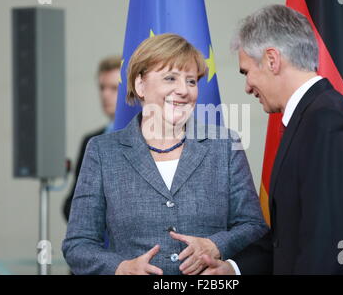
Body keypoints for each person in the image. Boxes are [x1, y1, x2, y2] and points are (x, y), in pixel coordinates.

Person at [201, 4, 343, 274]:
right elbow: (292, 235)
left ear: (272, 60)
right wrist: (233, 269)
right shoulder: (314, 116)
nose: (247, 87)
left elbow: (327, 243)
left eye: (246, 72)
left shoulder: (327, 121)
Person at [62, 33, 268, 275]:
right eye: (170, 78)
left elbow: (254, 226)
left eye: (191, 81)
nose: (183, 90)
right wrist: (120, 268)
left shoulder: (224, 145)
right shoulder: (103, 151)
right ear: (140, 85)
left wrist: (216, 245)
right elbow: (78, 245)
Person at [62, 55, 121, 222]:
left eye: (113, 88)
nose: (105, 95)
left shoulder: (148, 137)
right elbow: (71, 205)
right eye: (102, 88)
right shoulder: (92, 141)